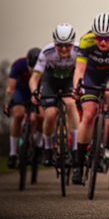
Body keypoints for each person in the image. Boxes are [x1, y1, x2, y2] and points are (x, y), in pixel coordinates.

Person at [71, 13, 109, 185]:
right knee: (88, 115)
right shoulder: (86, 41)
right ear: (94, 35)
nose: (103, 42)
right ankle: (78, 165)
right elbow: (79, 70)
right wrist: (76, 87)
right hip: (92, 75)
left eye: (107, 38)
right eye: (99, 38)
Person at [29, 23, 80, 167]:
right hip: (50, 80)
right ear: (54, 43)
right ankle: (48, 150)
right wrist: (35, 91)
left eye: (67, 45)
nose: (64, 49)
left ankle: (75, 148)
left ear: (72, 43)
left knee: (70, 104)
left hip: (69, 80)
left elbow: (83, 72)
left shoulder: (78, 50)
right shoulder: (47, 52)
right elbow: (34, 77)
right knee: (50, 114)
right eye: (59, 45)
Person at [4, 48, 43, 169]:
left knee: (39, 116)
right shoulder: (18, 65)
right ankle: (13, 153)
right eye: (31, 68)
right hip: (21, 91)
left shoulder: (45, 66)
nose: (32, 72)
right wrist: (7, 103)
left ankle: (39, 145)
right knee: (18, 115)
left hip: (37, 92)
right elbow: (10, 88)